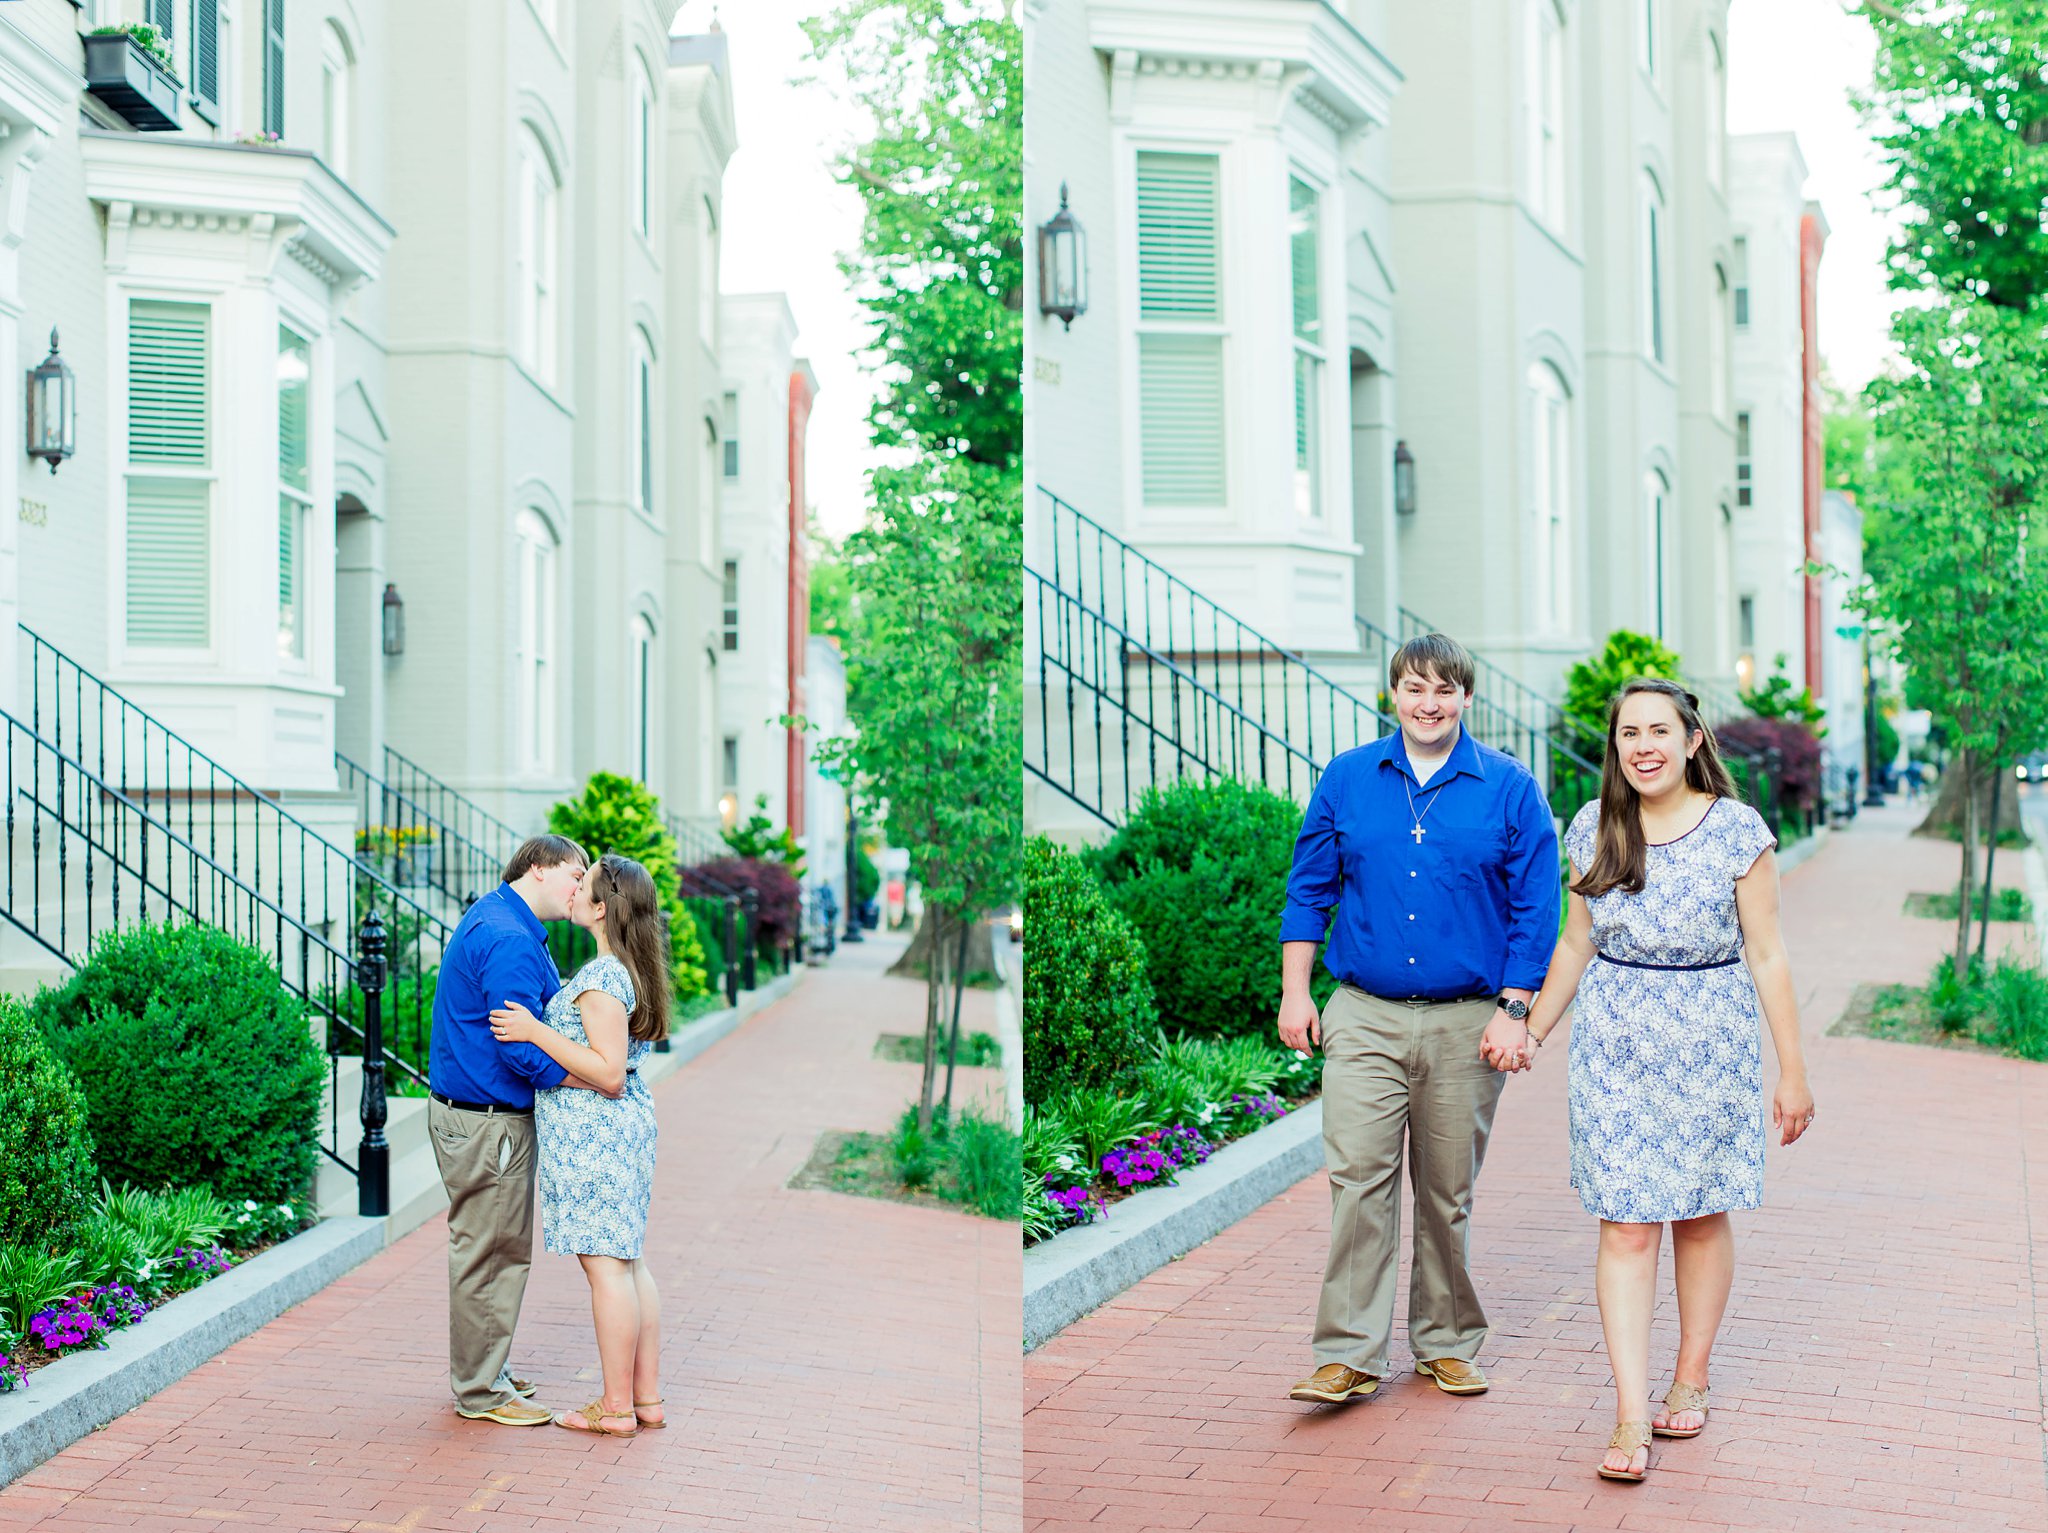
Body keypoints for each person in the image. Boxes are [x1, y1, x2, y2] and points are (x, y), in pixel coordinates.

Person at [1512, 679, 1815, 1482]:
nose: (1643, 745)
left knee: (1701, 1214)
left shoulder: (1738, 830)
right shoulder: (1595, 825)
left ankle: (1692, 1370)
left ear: (1691, 740)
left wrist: (1793, 1071)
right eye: (1628, 733)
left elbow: (1769, 953)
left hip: (1709, 1039)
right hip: (1615, 1043)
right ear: (1615, 746)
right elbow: (1576, 941)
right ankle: (1627, 1412)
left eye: (1659, 730)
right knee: (1626, 1222)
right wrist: (1536, 1028)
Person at [1277, 634, 1560, 1406]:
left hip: (1465, 1020)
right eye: (1413, 687)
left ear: (1466, 696)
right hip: (1363, 1015)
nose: (1428, 703)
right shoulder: (1347, 778)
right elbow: (1309, 890)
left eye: (1444, 689)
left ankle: (1445, 1342)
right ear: (1392, 694)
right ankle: (1348, 1355)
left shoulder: (1508, 787)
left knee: (1446, 1189)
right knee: (1359, 1179)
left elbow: (1539, 907)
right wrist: (1294, 991)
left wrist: (1515, 1008)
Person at [488, 852, 672, 1438]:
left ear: (601, 908)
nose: (572, 891)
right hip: (615, 1135)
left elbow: (608, 1071)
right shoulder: (624, 970)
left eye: (583, 885)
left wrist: (536, 1030)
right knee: (628, 1263)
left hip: (598, 1137)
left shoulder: (602, 978)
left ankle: (615, 1406)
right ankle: (644, 1400)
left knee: (608, 1271)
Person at [426, 833, 591, 1426]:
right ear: (541, 869)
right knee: (492, 1256)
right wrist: (591, 1076)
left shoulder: (499, 917)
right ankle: (479, 1391)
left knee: (493, 1251)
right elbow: (520, 1047)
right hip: (487, 1122)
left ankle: (486, 1370)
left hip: (474, 1116)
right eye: (575, 875)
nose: (580, 888)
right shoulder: (511, 938)